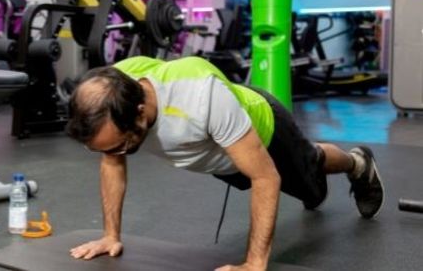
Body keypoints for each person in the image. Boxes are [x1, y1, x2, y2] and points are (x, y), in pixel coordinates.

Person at [65, 56, 384, 270]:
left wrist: (254, 264)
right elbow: (112, 162)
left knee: (312, 179)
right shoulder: (114, 90)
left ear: (138, 110)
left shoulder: (201, 95)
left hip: (264, 128)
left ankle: (358, 163)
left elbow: (265, 179)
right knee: (302, 191)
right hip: (221, 154)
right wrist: (110, 235)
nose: (115, 153)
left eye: (120, 145)